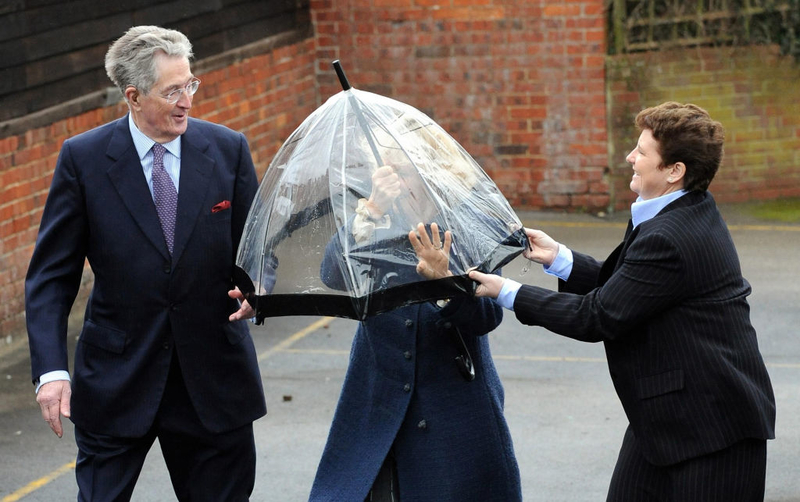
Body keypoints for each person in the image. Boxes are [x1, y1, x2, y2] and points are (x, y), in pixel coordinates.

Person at [470, 102, 776, 501]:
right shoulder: (676, 210)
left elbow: (598, 316)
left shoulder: (671, 234)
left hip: (714, 429)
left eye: (642, 152)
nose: (630, 157)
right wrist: (559, 259)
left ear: (674, 170)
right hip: (664, 418)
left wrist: (505, 290)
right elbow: (631, 287)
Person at [25, 26, 266, 501]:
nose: (187, 101)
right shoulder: (84, 159)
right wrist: (51, 372)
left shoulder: (227, 150)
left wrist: (260, 289)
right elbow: (52, 277)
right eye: (172, 90)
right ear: (133, 96)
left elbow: (257, 250)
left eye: (190, 84)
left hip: (213, 383)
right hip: (117, 380)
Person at [309, 161, 522, 501]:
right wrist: (373, 208)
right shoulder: (374, 222)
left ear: (431, 177)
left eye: (405, 173)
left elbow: (487, 318)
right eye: (389, 172)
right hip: (380, 400)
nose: (397, 182)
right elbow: (332, 274)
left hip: (453, 405)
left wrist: (445, 283)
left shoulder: (464, 228)